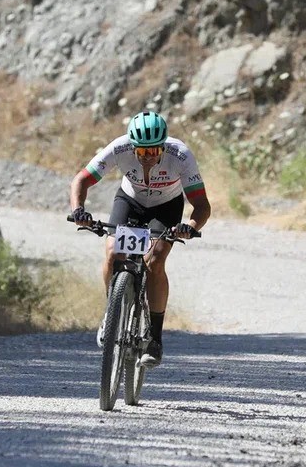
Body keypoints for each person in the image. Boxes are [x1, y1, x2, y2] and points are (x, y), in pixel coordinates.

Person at [69, 110, 211, 367]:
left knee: (155, 260)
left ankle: (155, 338)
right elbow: (82, 180)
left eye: (155, 151)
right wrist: (78, 209)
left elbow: (201, 205)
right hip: (130, 200)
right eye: (143, 152)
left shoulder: (180, 155)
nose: (149, 157)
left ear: (164, 146)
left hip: (166, 206)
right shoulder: (119, 148)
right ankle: (111, 314)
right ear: (133, 147)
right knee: (113, 252)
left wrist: (189, 226)